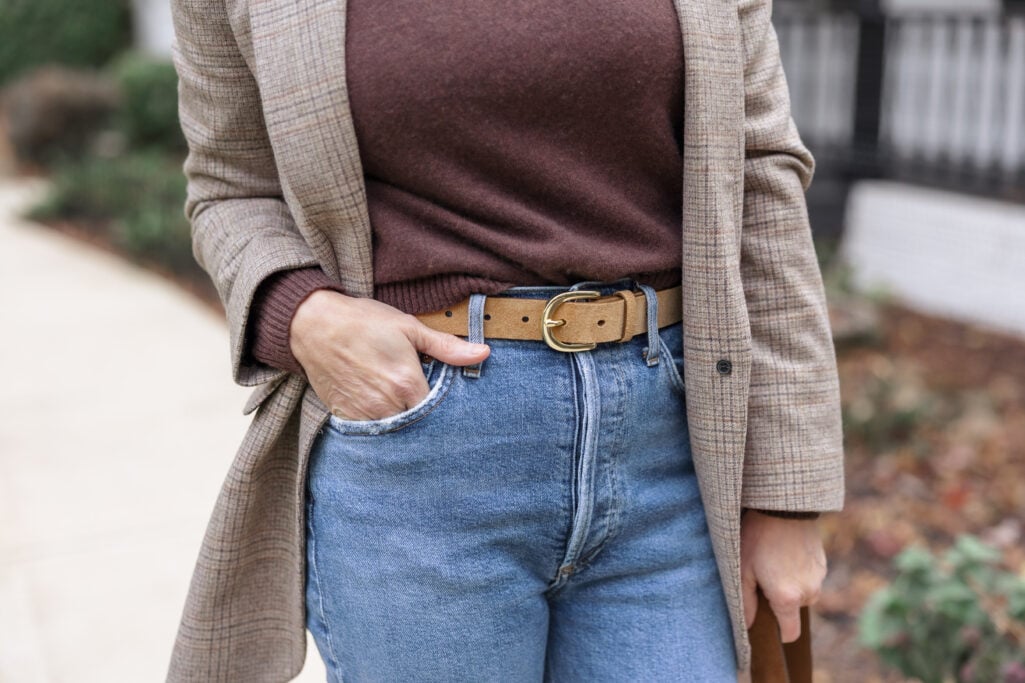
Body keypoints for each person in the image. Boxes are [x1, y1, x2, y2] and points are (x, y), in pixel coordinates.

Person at [167, 0, 845, 681]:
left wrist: (786, 495)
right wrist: (305, 314)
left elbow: (762, 176)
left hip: (670, 459)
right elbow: (229, 185)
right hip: (421, 460)